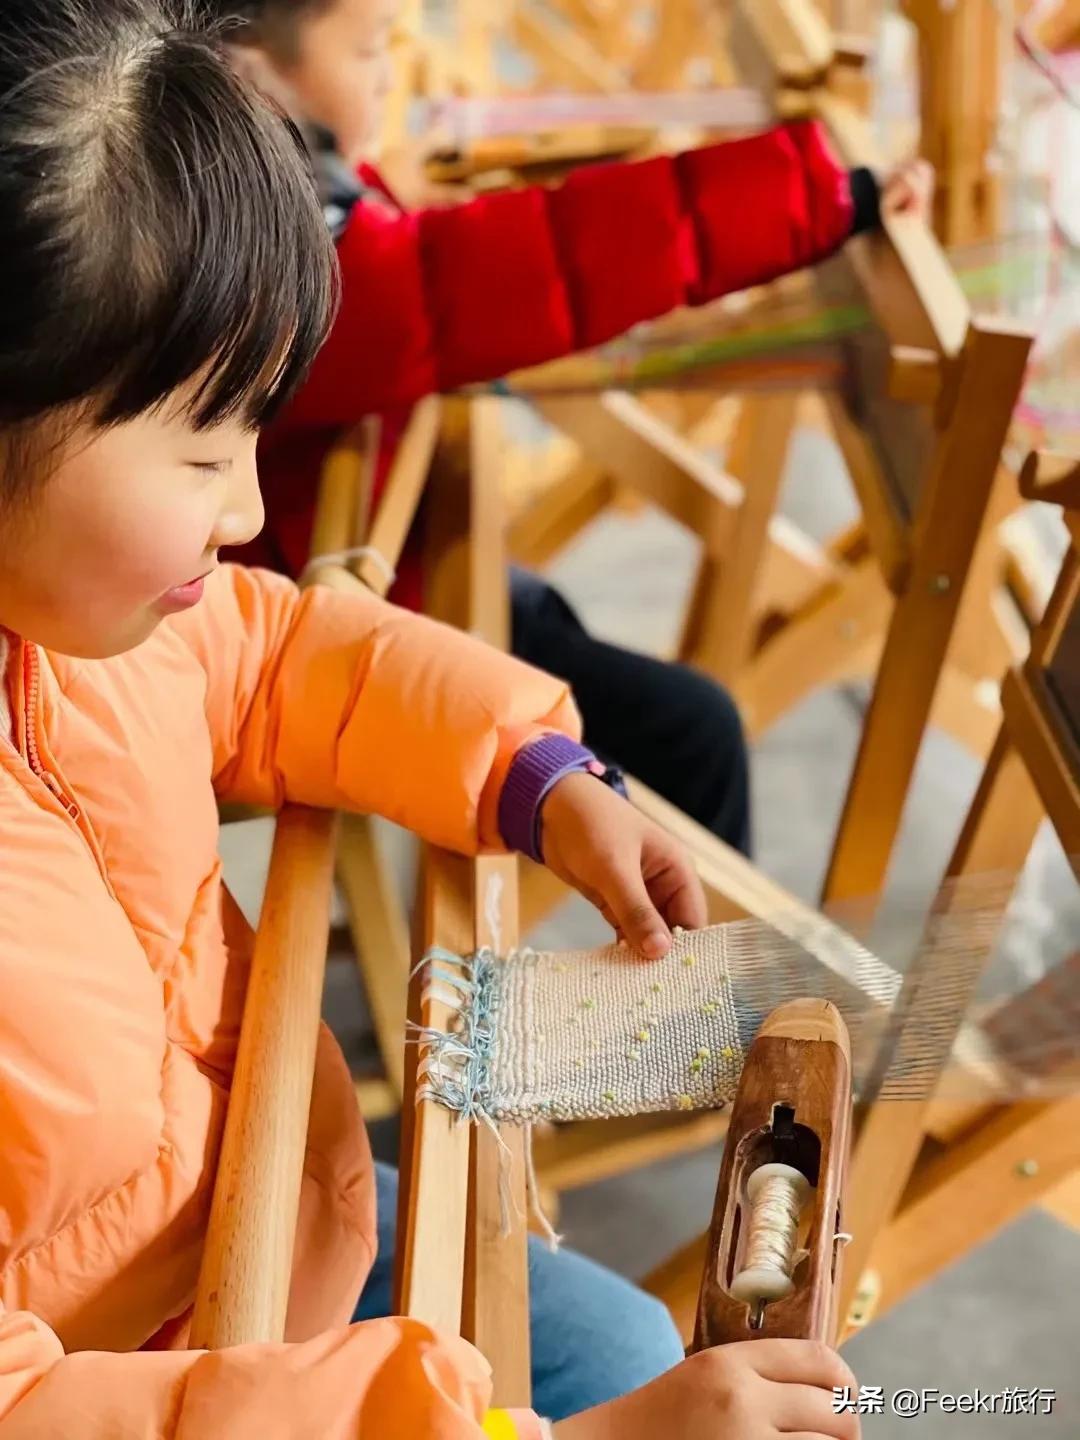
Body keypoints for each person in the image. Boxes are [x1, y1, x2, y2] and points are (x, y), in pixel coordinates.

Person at [0, 4, 865, 1437]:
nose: (252, 512)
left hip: (267, 1228)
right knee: (640, 1372)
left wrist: (531, 769)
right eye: (206, 446)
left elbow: (280, 654)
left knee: (635, 1335)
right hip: (162, 1357)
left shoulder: (87, 632)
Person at [214, 0, 930, 859]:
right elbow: (546, 260)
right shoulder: (301, 281)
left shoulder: (247, 207)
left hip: (365, 580)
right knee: (692, 731)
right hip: (332, 635)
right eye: (369, 51)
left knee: (569, 639)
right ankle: (695, 993)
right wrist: (826, 196)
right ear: (246, 67)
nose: (388, 74)